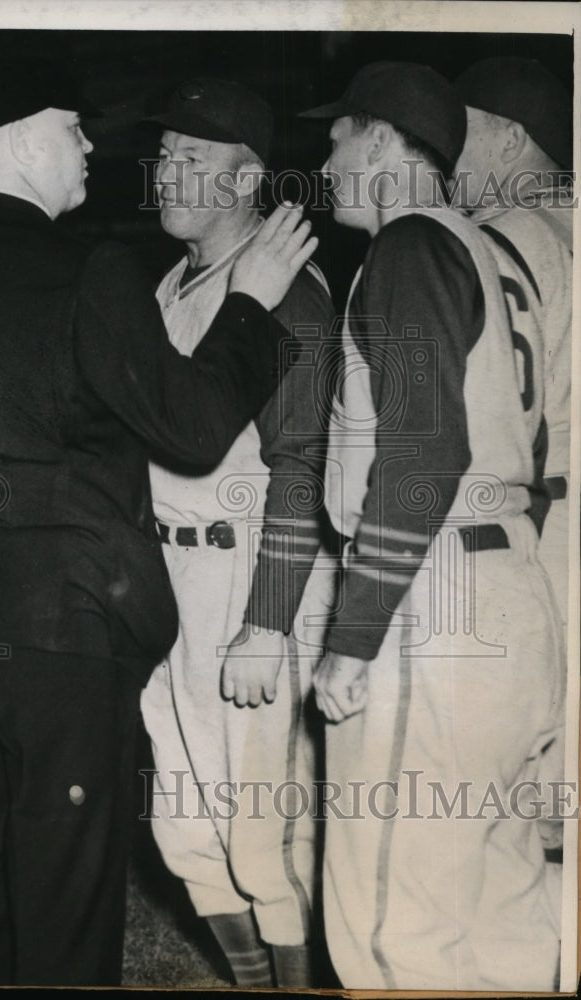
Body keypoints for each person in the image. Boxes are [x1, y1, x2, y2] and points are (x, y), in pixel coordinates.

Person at [0, 60, 317, 987]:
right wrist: (254, 305)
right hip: (58, 624)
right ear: (31, 141)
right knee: (63, 884)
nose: (93, 148)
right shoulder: (90, 267)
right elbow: (197, 428)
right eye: (76, 130)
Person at [300, 61, 564, 990]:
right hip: (510, 588)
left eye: (335, 138)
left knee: (393, 934)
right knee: (499, 905)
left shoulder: (410, 245)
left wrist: (353, 636)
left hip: (435, 602)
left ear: (379, 139)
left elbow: (420, 454)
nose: (323, 159)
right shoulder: (486, 250)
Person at [138, 78, 335, 989]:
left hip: (251, 576)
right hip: (168, 582)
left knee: (265, 839)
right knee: (184, 830)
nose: (166, 174)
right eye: (165, 154)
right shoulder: (170, 282)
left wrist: (266, 622)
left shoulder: (288, 289)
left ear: (250, 178)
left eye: (194, 160)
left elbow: (298, 464)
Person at [453, 54, 574, 905]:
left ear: (511, 135)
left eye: (459, 132)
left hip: (549, 516)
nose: (444, 153)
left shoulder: (501, 234)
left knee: (532, 785)